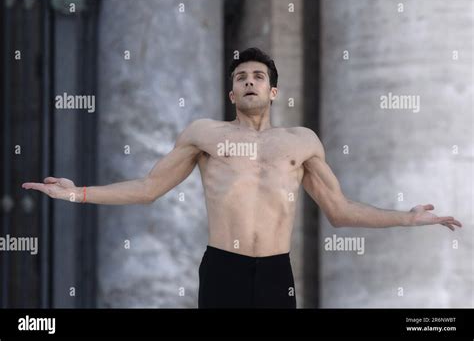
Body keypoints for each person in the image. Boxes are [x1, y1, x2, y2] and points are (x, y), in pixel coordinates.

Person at [22, 47, 463, 308]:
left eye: (258, 76)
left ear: (272, 91)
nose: (249, 82)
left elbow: (341, 212)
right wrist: (77, 193)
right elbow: (147, 189)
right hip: (223, 269)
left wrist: (406, 219)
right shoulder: (204, 135)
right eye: (240, 77)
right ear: (231, 92)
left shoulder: (301, 142)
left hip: (275, 271)